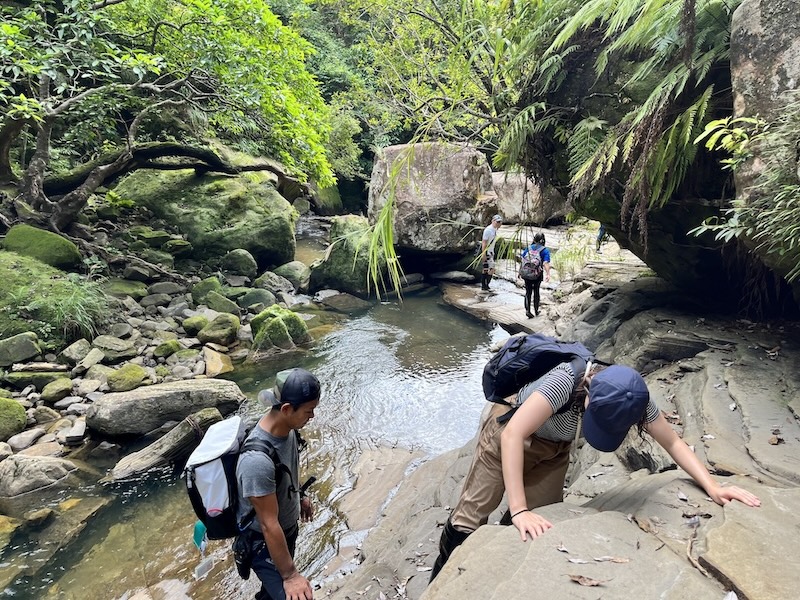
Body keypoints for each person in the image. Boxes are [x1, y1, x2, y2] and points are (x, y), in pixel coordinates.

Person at [429, 362, 760, 582]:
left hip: (556, 447)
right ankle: (440, 581)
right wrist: (518, 509)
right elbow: (514, 434)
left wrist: (713, 488)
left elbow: (672, 442)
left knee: (541, 517)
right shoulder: (562, 382)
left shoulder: (632, 397)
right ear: (588, 400)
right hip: (509, 431)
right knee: (471, 518)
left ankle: (491, 561)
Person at [236, 368, 320, 600]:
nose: (312, 416)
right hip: (263, 543)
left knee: (271, 594)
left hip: (285, 530)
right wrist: (291, 575)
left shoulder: (288, 430)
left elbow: (286, 470)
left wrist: (299, 494)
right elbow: (267, 522)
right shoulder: (256, 461)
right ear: (285, 409)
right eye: (308, 411)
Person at [520, 232, 551, 318]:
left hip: (526, 273)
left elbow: (523, 260)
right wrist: (548, 274)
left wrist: (520, 272)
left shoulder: (528, 248)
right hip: (537, 274)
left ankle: (527, 310)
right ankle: (536, 311)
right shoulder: (544, 250)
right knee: (536, 291)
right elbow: (545, 263)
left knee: (528, 292)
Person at [480, 214, 503, 291]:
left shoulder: (494, 229)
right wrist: (483, 254)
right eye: (497, 222)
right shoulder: (488, 230)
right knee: (491, 269)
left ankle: (485, 285)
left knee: (486, 269)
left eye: (500, 222)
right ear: (493, 221)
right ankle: (485, 285)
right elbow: (484, 242)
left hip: (491, 252)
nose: (499, 224)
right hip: (487, 252)